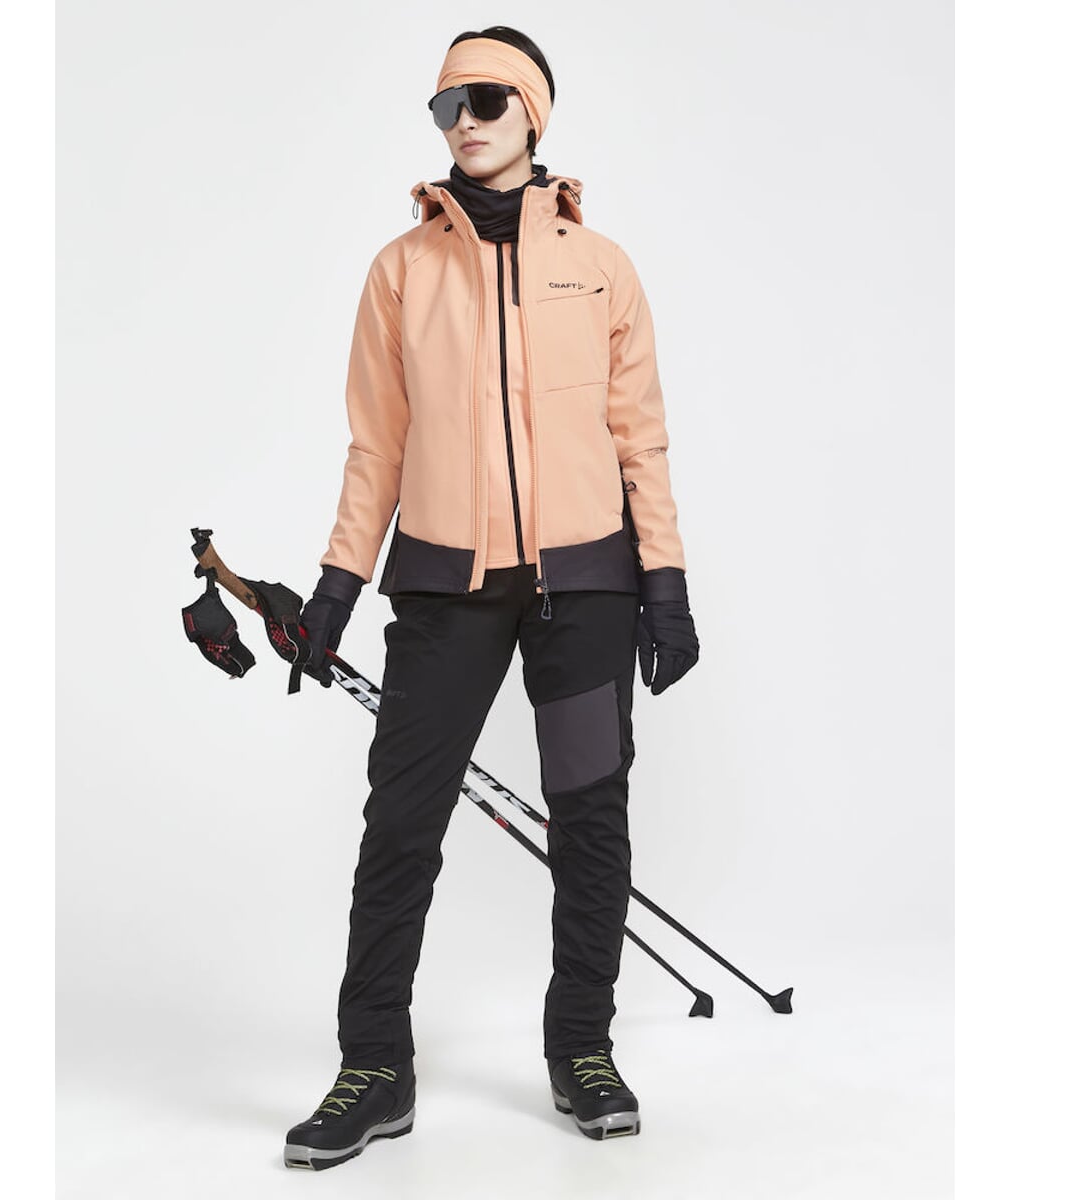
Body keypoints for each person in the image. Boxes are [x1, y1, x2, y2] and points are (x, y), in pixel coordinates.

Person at [283, 26, 699, 1171]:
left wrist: (665, 583)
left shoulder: (600, 267)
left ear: (532, 114)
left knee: (590, 817)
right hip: (444, 587)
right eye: (444, 106)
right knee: (401, 822)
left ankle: (583, 1047)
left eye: (484, 100)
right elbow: (377, 445)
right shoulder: (402, 270)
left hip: (587, 591)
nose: (461, 122)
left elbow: (641, 440)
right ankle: (375, 1064)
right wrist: (335, 588)